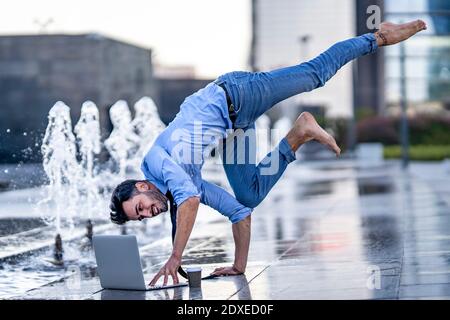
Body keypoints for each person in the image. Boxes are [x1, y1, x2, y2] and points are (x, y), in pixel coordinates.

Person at [109, 20, 427, 286]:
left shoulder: (154, 163)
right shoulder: (183, 188)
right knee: (247, 196)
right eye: (142, 217)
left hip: (237, 93)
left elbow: (187, 203)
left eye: (141, 207)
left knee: (315, 74)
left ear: (141, 185)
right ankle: (299, 133)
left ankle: (379, 36)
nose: (148, 213)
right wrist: (239, 266)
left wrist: (175, 256)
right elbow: (238, 214)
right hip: (234, 128)